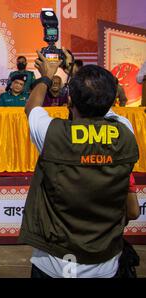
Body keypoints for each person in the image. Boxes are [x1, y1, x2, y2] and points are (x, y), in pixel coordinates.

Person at [20, 49, 140, 278]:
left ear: (70, 99)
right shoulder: (125, 131)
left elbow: (32, 107)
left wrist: (46, 76)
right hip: (106, 263)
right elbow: (105, 106)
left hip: (52, 264)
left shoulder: (51, 133)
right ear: (111, 98)